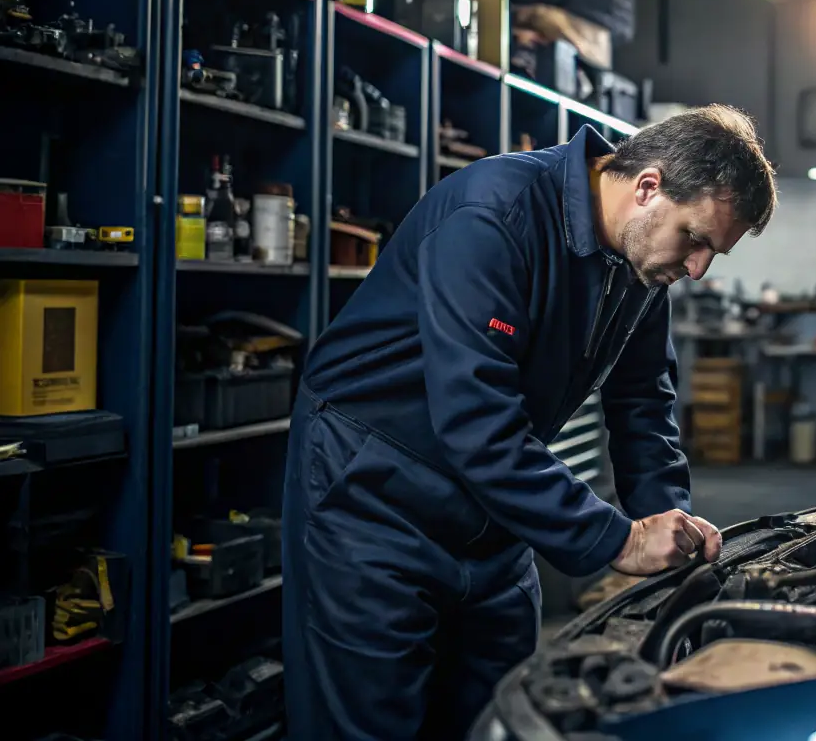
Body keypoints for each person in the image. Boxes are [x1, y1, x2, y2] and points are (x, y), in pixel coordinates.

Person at [281, 104, 778, 740]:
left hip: (490, 509)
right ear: (648, 187)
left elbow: (643, 400)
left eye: (714, 251)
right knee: (368, 722)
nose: (698, 268)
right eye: (696, 239)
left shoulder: (643, 261)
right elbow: (477, 423)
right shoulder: (493, 215)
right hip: (374, 495)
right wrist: (620, 542)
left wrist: (667, 523)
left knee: (502, 714)